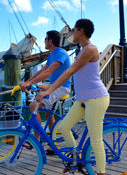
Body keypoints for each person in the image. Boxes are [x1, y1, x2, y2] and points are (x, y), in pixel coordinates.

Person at [36, 19, 109, 175]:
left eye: (74, 30)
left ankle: (101, 172)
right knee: (63, 127)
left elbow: (68, 72)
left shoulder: (90, 49)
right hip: (83, 99)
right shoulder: (82, 50)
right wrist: (48, 87)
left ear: (81, 30)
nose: (72, 33)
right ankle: (75, 160)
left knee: (95, 140)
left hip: (96, 99)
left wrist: (48, 91)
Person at [20, 30, 71, 153]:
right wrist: (28, 81)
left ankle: (36, 141)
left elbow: (48, 72)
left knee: (33, 106)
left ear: (50, 41)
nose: (44, 41)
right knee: (49, 115)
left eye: (45, 39)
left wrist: (30, 83)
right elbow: (43, 70)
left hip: (61, 87)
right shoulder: (52, 54)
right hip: (54, 86)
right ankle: (54, 145)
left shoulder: (61, 53)